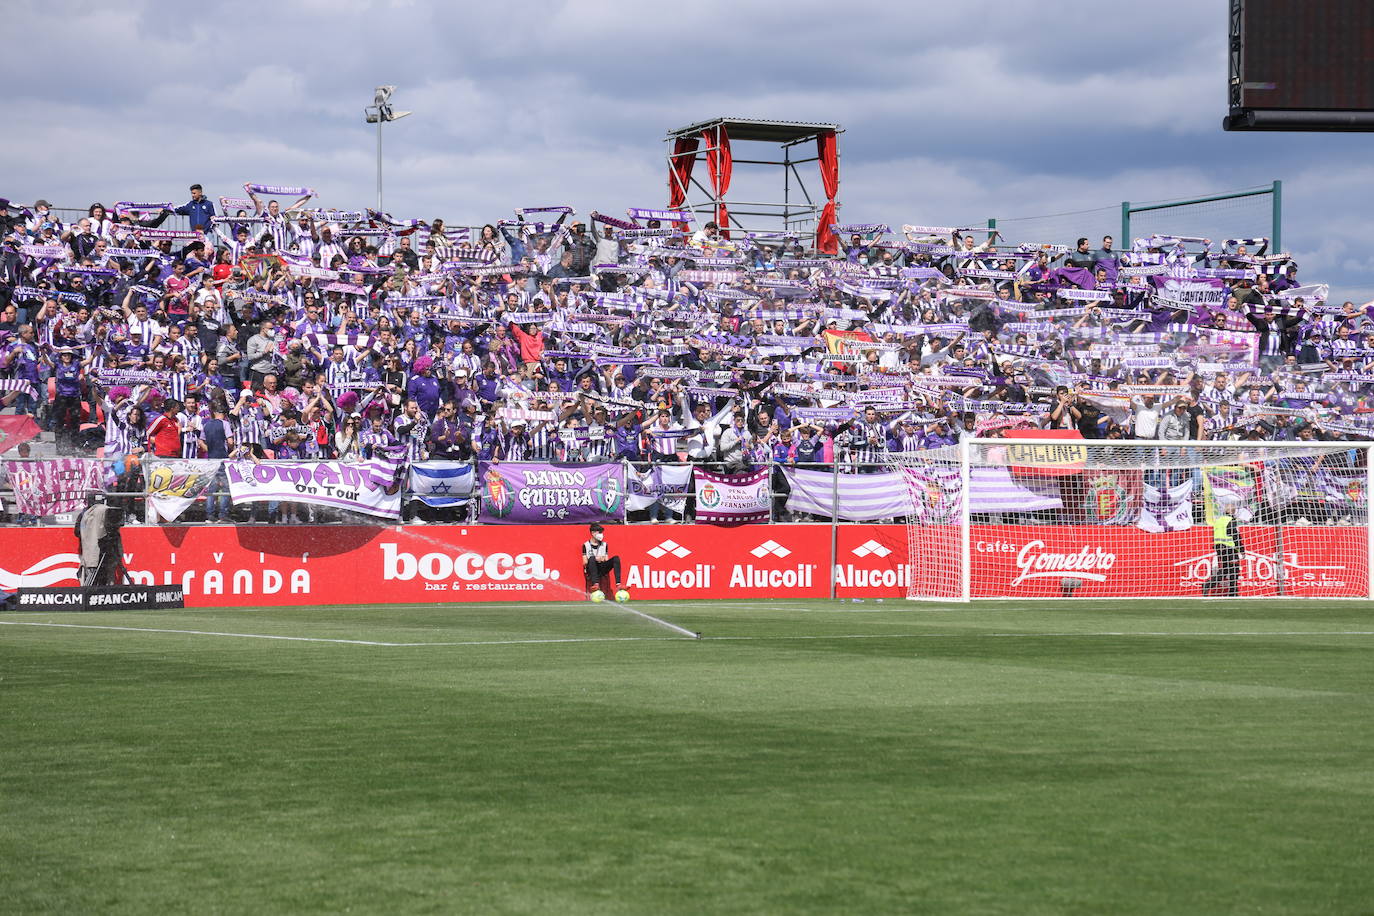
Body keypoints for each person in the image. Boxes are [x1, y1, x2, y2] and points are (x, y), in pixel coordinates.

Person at [1200, 499, 1246, 597]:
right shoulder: (1231, 521)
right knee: (1234, 569)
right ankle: (1233, 592)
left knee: (1225, 570)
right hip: (1229, 548)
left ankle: (1208, 584)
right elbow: (1235, 536)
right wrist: (1242, 550)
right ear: (1233, 511)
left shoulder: (1218, 521)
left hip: (1219, 548)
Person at [581, 523, 623, 598]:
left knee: (616, 558)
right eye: (599, 532)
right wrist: (595, 558)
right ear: (593, 533)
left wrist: (602, 559)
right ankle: (595, 584)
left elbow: (606, 559)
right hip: (591, 568)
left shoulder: (604, 544)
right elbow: (584, 562)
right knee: (592, 558)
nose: (601, 534)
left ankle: (618, 584)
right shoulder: (586, 545)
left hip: (601, 567)